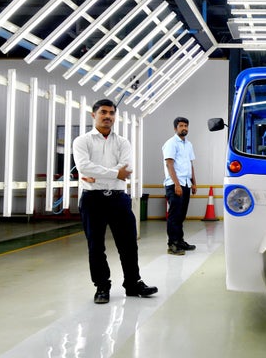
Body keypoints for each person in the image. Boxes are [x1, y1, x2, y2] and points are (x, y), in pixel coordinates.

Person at [73, 99, 158, 304]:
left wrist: (104, 174)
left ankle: (133, 283)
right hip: (93, 199)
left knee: (128, 244)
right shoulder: (82, 141)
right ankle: (102, 287)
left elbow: (126, 169)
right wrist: (114, 174)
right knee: (96, 246)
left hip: (119, 199)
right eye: (103, 112)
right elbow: (84, 167)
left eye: (111, 113)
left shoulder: (123, 142)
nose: (108, 116)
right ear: (93, 115)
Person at [162, 116, 197, 255]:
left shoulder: (189, 144)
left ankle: (180, 240)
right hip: (175, 184)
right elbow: (169, 164)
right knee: (174, 216)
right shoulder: (171, 143)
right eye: (181, 125)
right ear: (175, 128)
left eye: (186, 126)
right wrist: (177, 185)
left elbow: (191, 164)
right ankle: (172, 244)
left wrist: (194, 183)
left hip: (186, 184)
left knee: (181, 215)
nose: (184, 128)